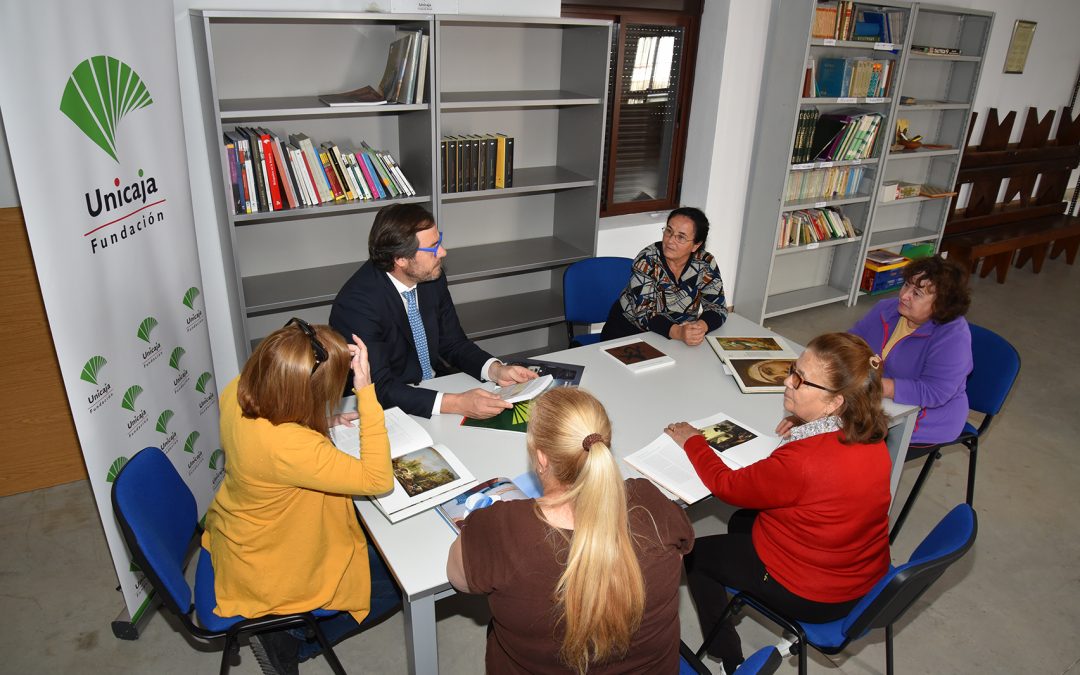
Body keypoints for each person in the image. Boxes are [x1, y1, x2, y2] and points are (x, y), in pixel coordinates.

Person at [664, 333, 891, 673]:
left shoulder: (803, 461)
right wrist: (805, 422)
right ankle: (741, 597)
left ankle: (728, 659)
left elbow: (726, 485)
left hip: (814, 594)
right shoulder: (871, 436)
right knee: (743, 520)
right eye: (793, 370)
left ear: (834, 403)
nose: (787, 381)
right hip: (860, 576)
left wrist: (694, 442)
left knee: (696, 557)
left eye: (800, 380)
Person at [446, 388, 694, 674]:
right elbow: (677, 557)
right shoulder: (650, 504)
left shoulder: (499, 527)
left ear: (541, 458)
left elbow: (458, 580)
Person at [201, 319, 400, 675]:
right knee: (395, 583)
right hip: (277, 557)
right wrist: (365, 390)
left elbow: (277, 429)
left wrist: (319, 420)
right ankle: (293, 639)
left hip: (241, 530)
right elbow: (377, 478)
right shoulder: (289, 446)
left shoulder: (238, 388)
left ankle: (286, 632)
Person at [329, 203, 536, 419]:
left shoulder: (430, 276)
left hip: (434, 387)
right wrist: (456, 403)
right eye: (433, 247)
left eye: (440, 241)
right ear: (400, 259)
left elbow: (453, 342)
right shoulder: (356, 305)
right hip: (390, 409)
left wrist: (496, 370)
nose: (443, 252)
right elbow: (380, 387)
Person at [850, 254, 972, 445]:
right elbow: (851, 342)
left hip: (926, 416)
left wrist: (876, 386)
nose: (904, 295)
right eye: (907, 284)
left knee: (843, 431)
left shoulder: (953, 337)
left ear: (941, 304)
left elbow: (935, 392)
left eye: (917, 293)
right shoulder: (887, 309)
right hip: (876, 399)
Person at [599, 206, 728, 345]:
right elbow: (645, 314)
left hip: (674, 338)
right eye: (669, 231)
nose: (670, 240)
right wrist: (679, 332)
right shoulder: (647, 259)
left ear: (696, 245)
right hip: (629, 332)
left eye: (681, 237)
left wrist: (699, 328)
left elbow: (717, 307)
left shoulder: (705, 263)